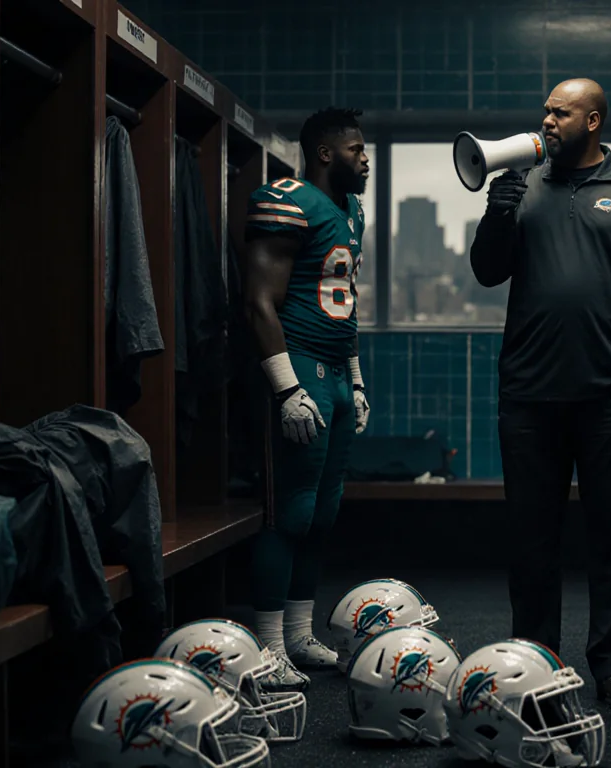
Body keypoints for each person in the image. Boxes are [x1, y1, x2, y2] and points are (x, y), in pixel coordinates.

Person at [469, 78, 611, 710]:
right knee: (532, 536)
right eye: (545, 110)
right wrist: (499, 207)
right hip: (529, 394)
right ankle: (537, 661)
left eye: (560, 112)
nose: (547, 119)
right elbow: (486, 271)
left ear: (592, 121)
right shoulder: (522, 185)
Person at [242, 107, 373, 684]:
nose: (365, 159)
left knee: (322, 514)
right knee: (287, 513)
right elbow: (258, 302)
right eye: (356, 150)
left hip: (336, 372)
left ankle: (297, 635)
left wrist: (358, 379)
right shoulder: (285, 199)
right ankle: (268, 648)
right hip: (298, 368)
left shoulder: (352, 211)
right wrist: (286, 387)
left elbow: (342, 300)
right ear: (325, 154)